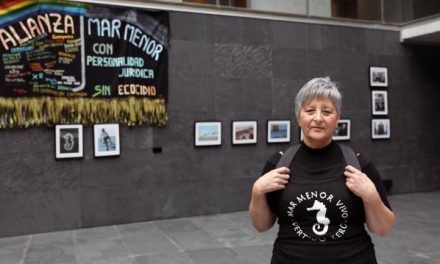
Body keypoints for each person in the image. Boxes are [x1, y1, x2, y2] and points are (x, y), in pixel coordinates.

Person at [249, 77, 395, 264]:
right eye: (310, 110)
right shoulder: (279, 163)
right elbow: (261, 225)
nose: (318, 118)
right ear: (299, 118)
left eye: (327, 111)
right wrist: (257, 191)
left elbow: (383, 228)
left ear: (337, 119)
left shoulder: (358, 164)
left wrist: (371, 195)